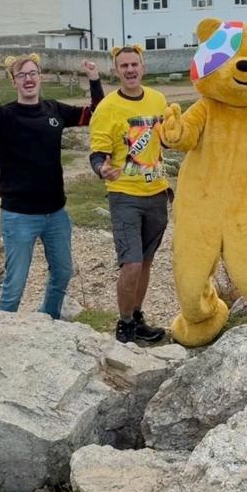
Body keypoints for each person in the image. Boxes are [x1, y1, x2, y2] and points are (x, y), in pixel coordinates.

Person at [0, 53, 103, 318]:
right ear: (13, 81)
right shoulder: (5, 115)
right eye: (21, 75)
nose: (28, 79)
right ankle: (3, 336)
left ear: (40, 77)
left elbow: (95, 114)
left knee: (62, 272)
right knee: (15, 284)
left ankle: (47, 319)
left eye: (32, 73)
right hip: (18, 216)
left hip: (55, 214)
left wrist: (94, 79)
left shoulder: (54, 110)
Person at [89, 45, 168, 345]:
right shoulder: (107, 108)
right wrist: (101, 169)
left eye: (135, 64)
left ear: (143, 67)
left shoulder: (158, 99)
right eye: (124, 66)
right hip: (124, 196)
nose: (130, 70)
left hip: (157, 193)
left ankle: (137, 317)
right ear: (116, 71)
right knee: (131, 263)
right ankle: (123, 326)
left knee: (146, 262)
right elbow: (97, 154)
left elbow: (167, 140)